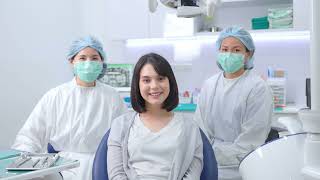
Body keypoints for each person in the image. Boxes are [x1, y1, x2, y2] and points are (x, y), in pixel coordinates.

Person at [12, 36, 128, 180]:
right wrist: (20, 165)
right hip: (61, 169)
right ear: (72, 61)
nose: (88, 63)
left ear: (101, 61)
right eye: (82, 58)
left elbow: (125, 135)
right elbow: (29, 136)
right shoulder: (56, 95)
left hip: (102, 168)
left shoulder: (112, 96)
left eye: (94, 58)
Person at [107, 53, 203, 180]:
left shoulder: (190, 127)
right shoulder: (120, 125)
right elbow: (116, 174)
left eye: (161, 78)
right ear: (137, 84)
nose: (154, 86)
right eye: (146, 80)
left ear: (170, 82)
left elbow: (193, 174)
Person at [194, 26, 273, 180]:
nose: (229, 54)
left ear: (248, 54)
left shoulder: (257, 88)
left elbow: (250, 141)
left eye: (236, 50)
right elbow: (200, 130)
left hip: (242, 167)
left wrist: (213, 153)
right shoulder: (209, 85)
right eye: (224, 49)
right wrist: (205, 154)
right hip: (208, 165)